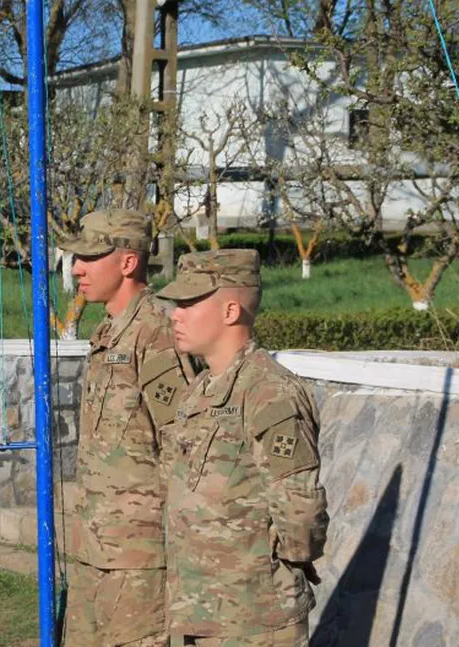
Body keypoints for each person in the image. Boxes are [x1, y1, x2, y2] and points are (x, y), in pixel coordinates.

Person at [155, 249, 329, 647]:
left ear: (231, 311)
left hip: (253, 618)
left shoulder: (269, 393)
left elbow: (300, 510)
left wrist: (271, 569)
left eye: (189, 303)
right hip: (201, 610)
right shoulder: (200, 390)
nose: (175, 315)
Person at [55, 209, 194, 647]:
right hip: (96, 549)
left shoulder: (155, 332)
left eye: (91, 258)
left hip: (139, 559)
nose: (77, 268)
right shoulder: (109, 331)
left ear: (127, 262)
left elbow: (183, 444)